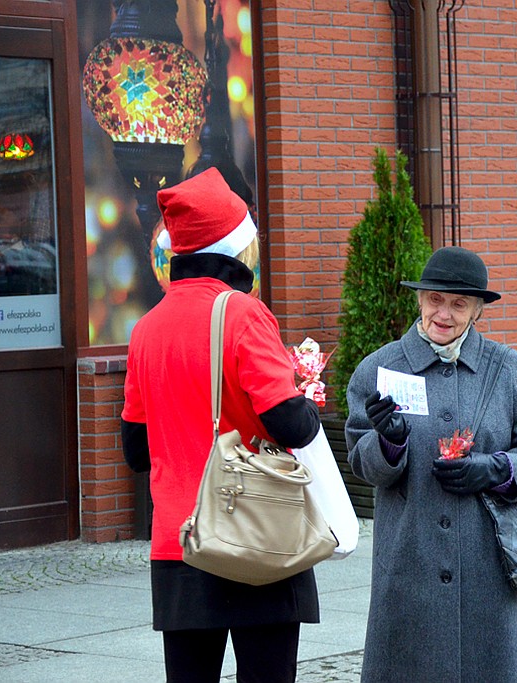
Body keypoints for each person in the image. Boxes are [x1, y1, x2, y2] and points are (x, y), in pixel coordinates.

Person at [121, 167, 322, 683]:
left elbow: (136, 451)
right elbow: (289, 423)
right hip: (254, 529)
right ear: (238, 248)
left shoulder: (144, 330)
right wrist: (306, 394)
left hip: (179, 541)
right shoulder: (242, 313)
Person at [345, 246, 517, 682]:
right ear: (419, 300)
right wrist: (388, 444)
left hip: (490, 577)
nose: (443, 313)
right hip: (410, 570)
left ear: (478, 310)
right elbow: (360, 463)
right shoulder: (378, 370)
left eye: (459, 303)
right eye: (435, 300)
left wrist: (497, 469)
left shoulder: (508, 370)